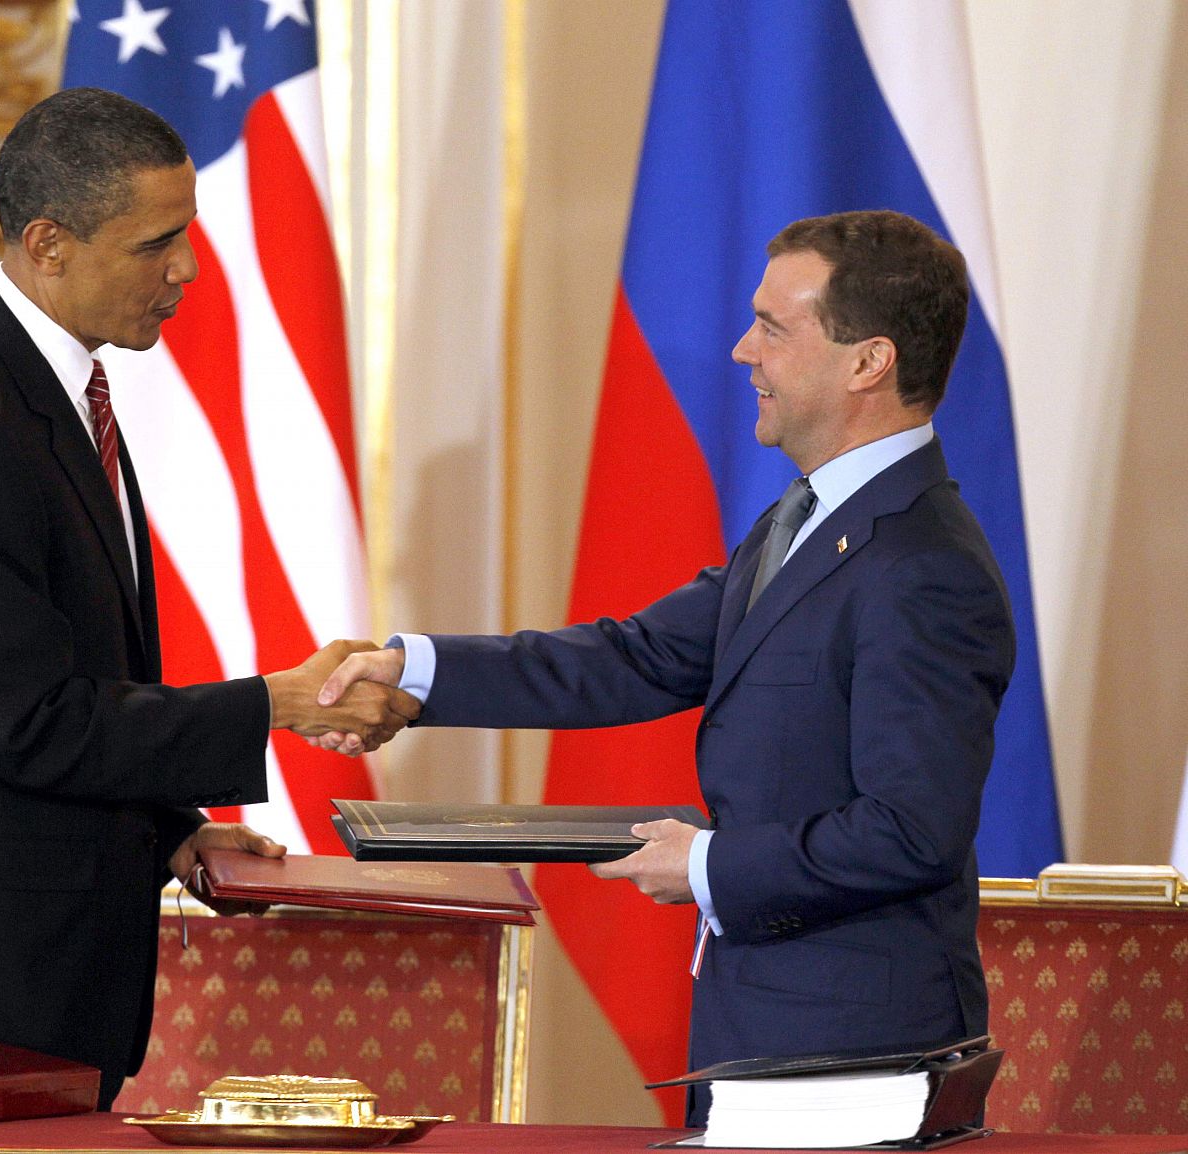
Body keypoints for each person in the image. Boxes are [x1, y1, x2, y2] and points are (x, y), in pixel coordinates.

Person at [0, 88, 419, 1105]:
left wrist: (167, 824)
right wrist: (279, 700)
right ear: (50, 243)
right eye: (154, 243)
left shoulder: (43, 393)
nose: (187, 270)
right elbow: (27, 719)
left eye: (189, 234)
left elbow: (76, 668)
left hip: (21, 971)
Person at [316, 210, 1011, 1125]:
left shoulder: (922, 567)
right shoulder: (802, 520)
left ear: (867, 362)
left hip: (856, 1054)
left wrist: (712, 863)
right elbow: (633, 656)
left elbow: (910, 831)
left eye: (771, 326)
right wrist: (411, 670)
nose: (740, 350)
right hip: (771, 1028)